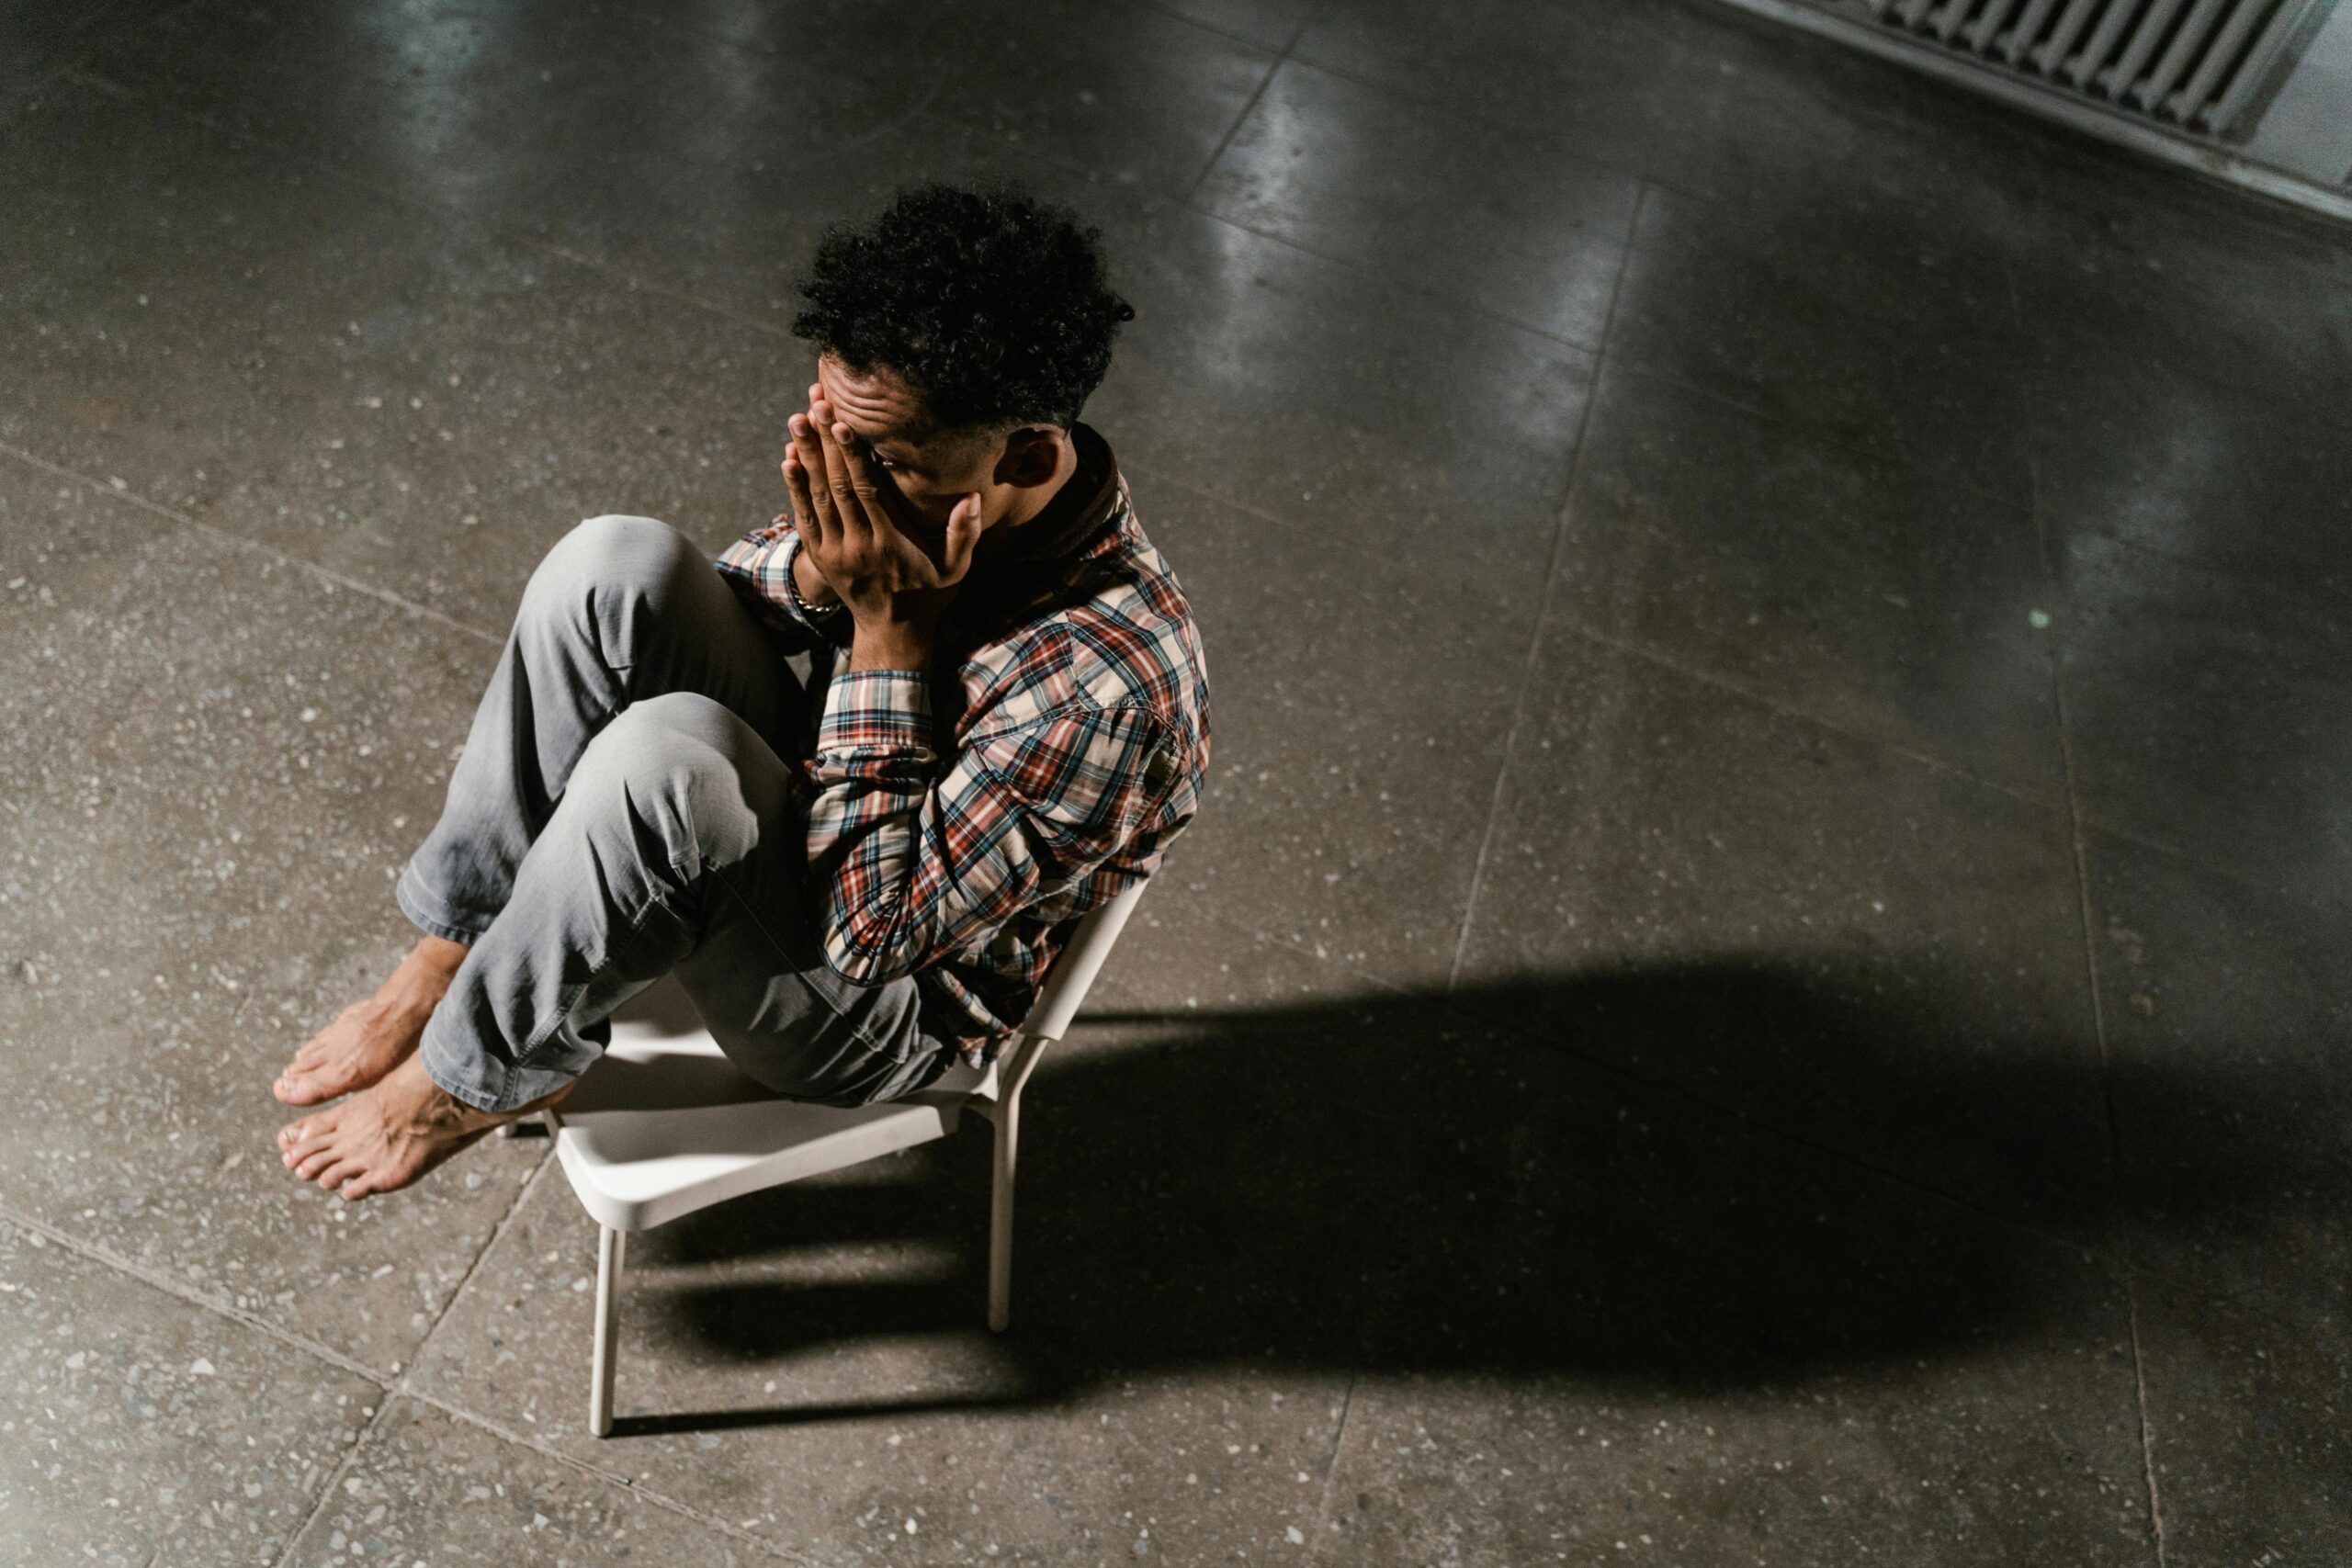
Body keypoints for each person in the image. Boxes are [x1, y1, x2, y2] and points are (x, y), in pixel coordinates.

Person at [271, 182, 1211, 1201]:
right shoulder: (924, 481)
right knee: (615, 569)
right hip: (818, 820)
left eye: (880, 460)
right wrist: (824, 576)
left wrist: (888, 635)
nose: (836, 477)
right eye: (829, 433)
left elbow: (873, 935)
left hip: (883, 1007)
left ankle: (469, 1080)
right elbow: (730, 595)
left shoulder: (1109, 690)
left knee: (665, 765)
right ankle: (451, 954)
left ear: (1026, 452)